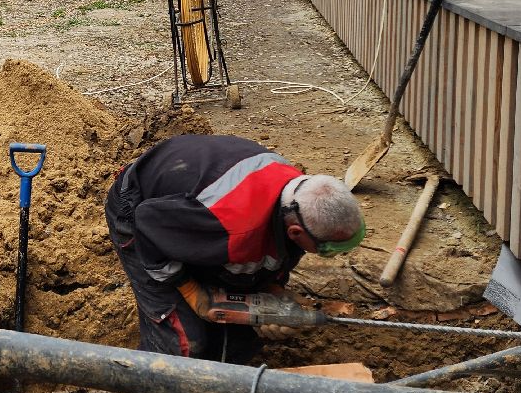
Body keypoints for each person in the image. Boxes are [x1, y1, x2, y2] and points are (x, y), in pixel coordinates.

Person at [106, 133, 365, 364]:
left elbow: (279, 251)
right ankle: (140, 385)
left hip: (192, 214)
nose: (331, 255)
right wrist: (191, 290)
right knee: (182, 346)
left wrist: (271, 290)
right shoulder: (234, 226)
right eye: (327, 249)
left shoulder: (298, 197)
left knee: (240, 338)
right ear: (295, 231)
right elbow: (147, 220)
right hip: (140, 212)